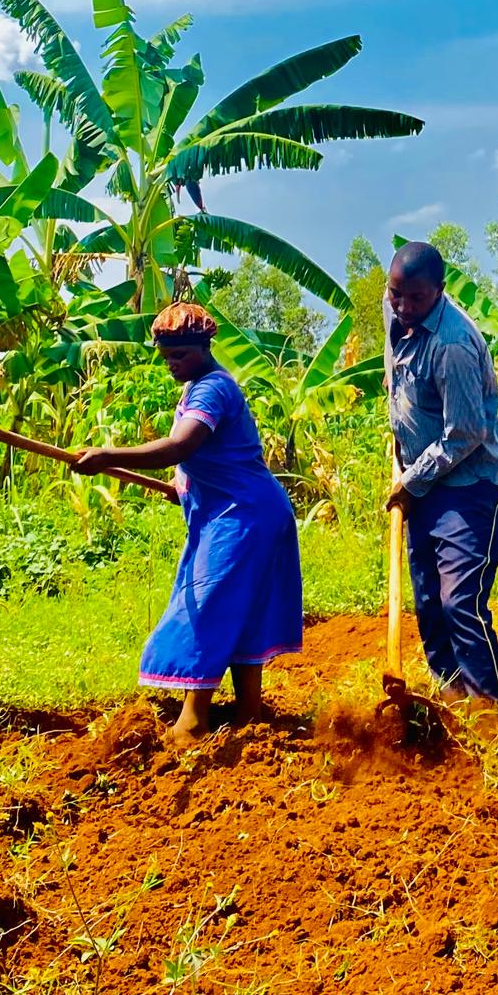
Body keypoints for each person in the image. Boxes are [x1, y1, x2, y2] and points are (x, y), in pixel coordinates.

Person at [73, 301, 302, 742]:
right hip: (244, 511)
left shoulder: (213, 388)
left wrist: (108, 456)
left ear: (204, 347)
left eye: (180, 355)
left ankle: (194, 720)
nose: (172, 364)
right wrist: (183, 486)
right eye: (166, 357)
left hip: (243, 516)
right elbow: (209, 458)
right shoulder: (199, 385)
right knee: (241, 610)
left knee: (208, 605)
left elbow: (180, 446)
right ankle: (248, 713)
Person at [384, 241, 498, 707]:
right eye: (396, 294)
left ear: (439, 290)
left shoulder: (452, 345)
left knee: (460, 602)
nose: (404, 307)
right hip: (422, 480)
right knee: (428, 604)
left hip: (468, 485)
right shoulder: (394, 308)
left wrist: (411, 481)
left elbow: (465, 433)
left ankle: (489, 718)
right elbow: (396, 364)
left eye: (416, 298)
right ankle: (454, 702)